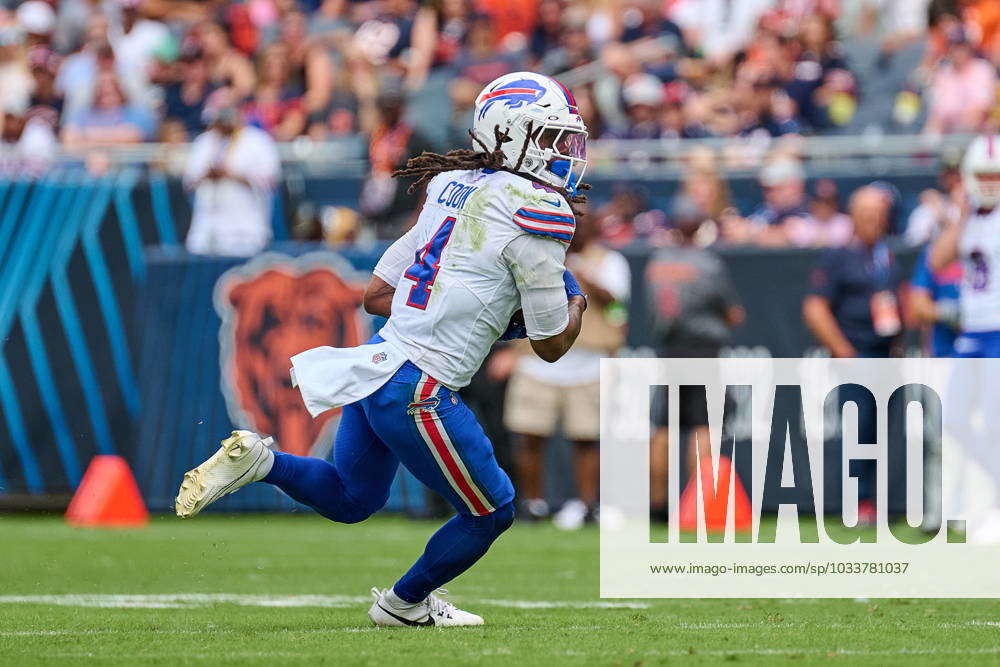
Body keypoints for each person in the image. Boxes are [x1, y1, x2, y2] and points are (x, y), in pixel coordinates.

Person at [174, 72, 589, 627]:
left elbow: (376, 295)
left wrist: (473, 308)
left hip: (379, 362)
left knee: (351, 498)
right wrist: (575, 298)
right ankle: (403, 603)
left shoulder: (450, 186)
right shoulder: (536, 210)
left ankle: (261, 460)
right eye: (550, 137)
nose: (563, 153)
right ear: (511, 133)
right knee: (493, 510)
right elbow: (552, 344)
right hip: (422, 387)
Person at [503, 211, 629, 529]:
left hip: (588, 361)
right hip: (536, 360)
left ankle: (586, 504)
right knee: (530, 435)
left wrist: (582, 272)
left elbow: (616, 306)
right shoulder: (539, 255)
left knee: (586, 438)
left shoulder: (609, 261)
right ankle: (533, 502)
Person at [803, 185, 903, 525]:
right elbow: (815, 307)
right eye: (867, 215)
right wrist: (843, 350)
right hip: (857, 354)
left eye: (878, 215)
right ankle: (856, 500)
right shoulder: (838, 256)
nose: (874, 222)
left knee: (878, 430)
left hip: (884, 354)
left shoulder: (886, 256)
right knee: (857, 426)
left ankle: (873, 500)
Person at [647, 194, 744, 517]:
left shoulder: (657, 262)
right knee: (703, 426)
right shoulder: (708, 263)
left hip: (670, 349)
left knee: (664, 427)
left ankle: (657, 505)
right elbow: (732, 312)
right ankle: (698, 504)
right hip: (702, 350)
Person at [182, 89, 280, 257]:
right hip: (206, 231)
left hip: (244, 230)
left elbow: (270, 182)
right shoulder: (203, 142)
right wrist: (207, 174)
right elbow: (188, 182)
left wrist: (233, 174)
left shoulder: (258, 141)